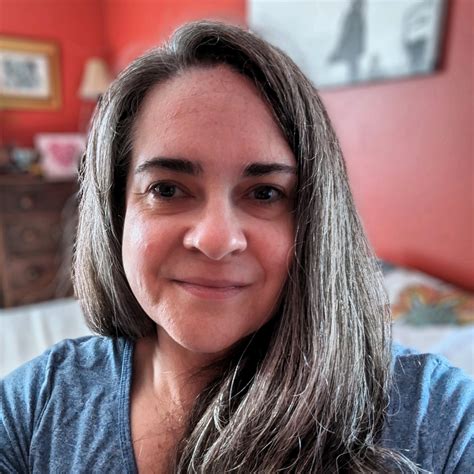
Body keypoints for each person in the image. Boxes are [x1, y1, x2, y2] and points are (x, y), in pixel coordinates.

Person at [1, 20, 472, 473]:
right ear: (116, 211)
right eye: (167, 189)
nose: (216, 239)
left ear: (316, 220)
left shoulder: (437, 418)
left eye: (265, 193)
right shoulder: (36, 403)